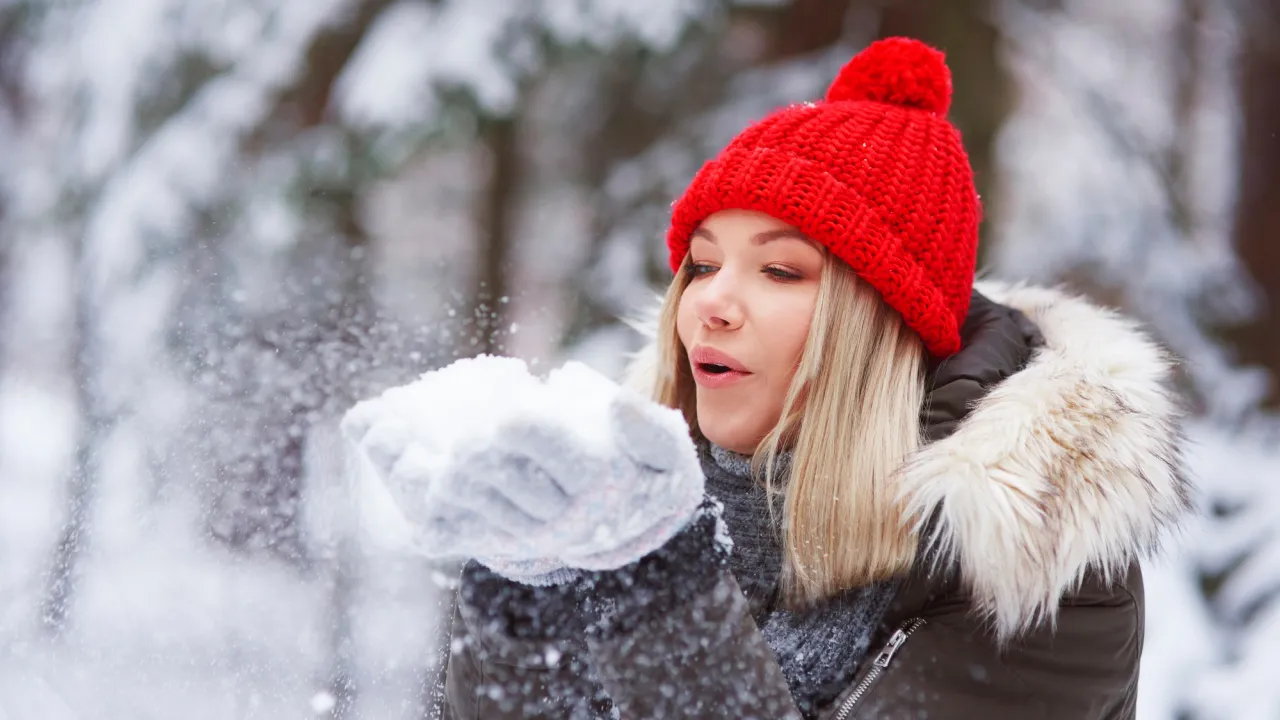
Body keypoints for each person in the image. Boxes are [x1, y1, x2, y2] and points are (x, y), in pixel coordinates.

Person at [348, 37, 1191, 719]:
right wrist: (523, 592)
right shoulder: (640, 499)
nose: (710, 304)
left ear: (879, 327)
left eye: (781, 273)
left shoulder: (1037, 569)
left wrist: (657, 586)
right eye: (702, 264)